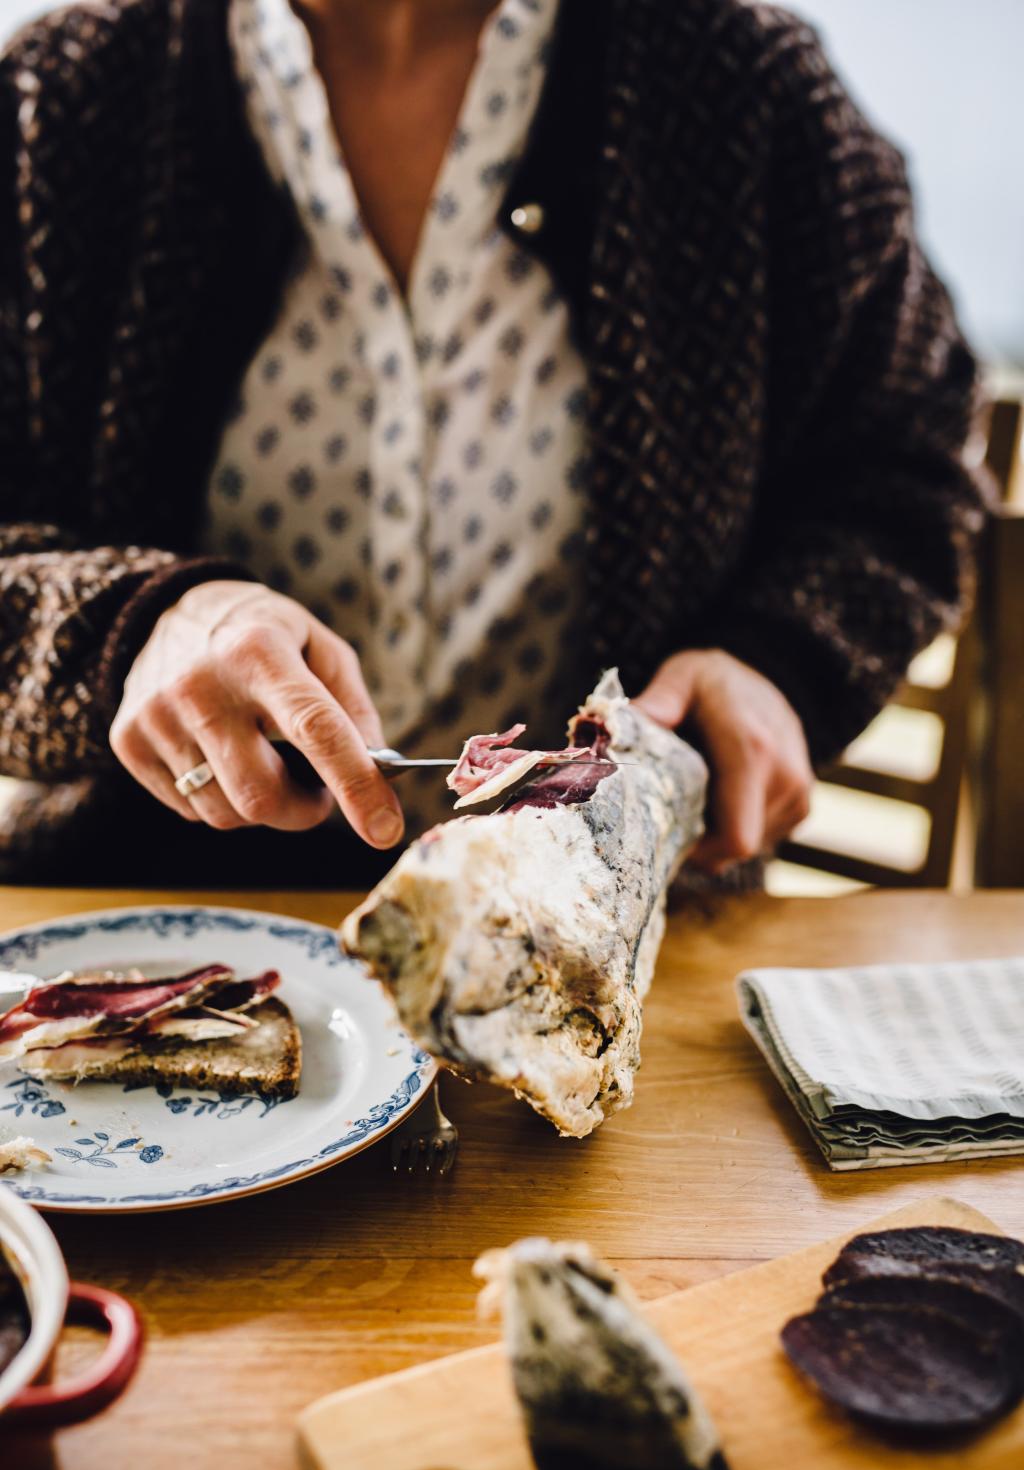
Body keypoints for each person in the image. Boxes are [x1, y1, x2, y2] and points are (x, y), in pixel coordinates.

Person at [0, 0, 985, 887]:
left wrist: (775, 659)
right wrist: (135, 625)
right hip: (156, 945)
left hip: (626, 960)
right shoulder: (60, 97)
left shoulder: (743, 81)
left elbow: (909, 461)